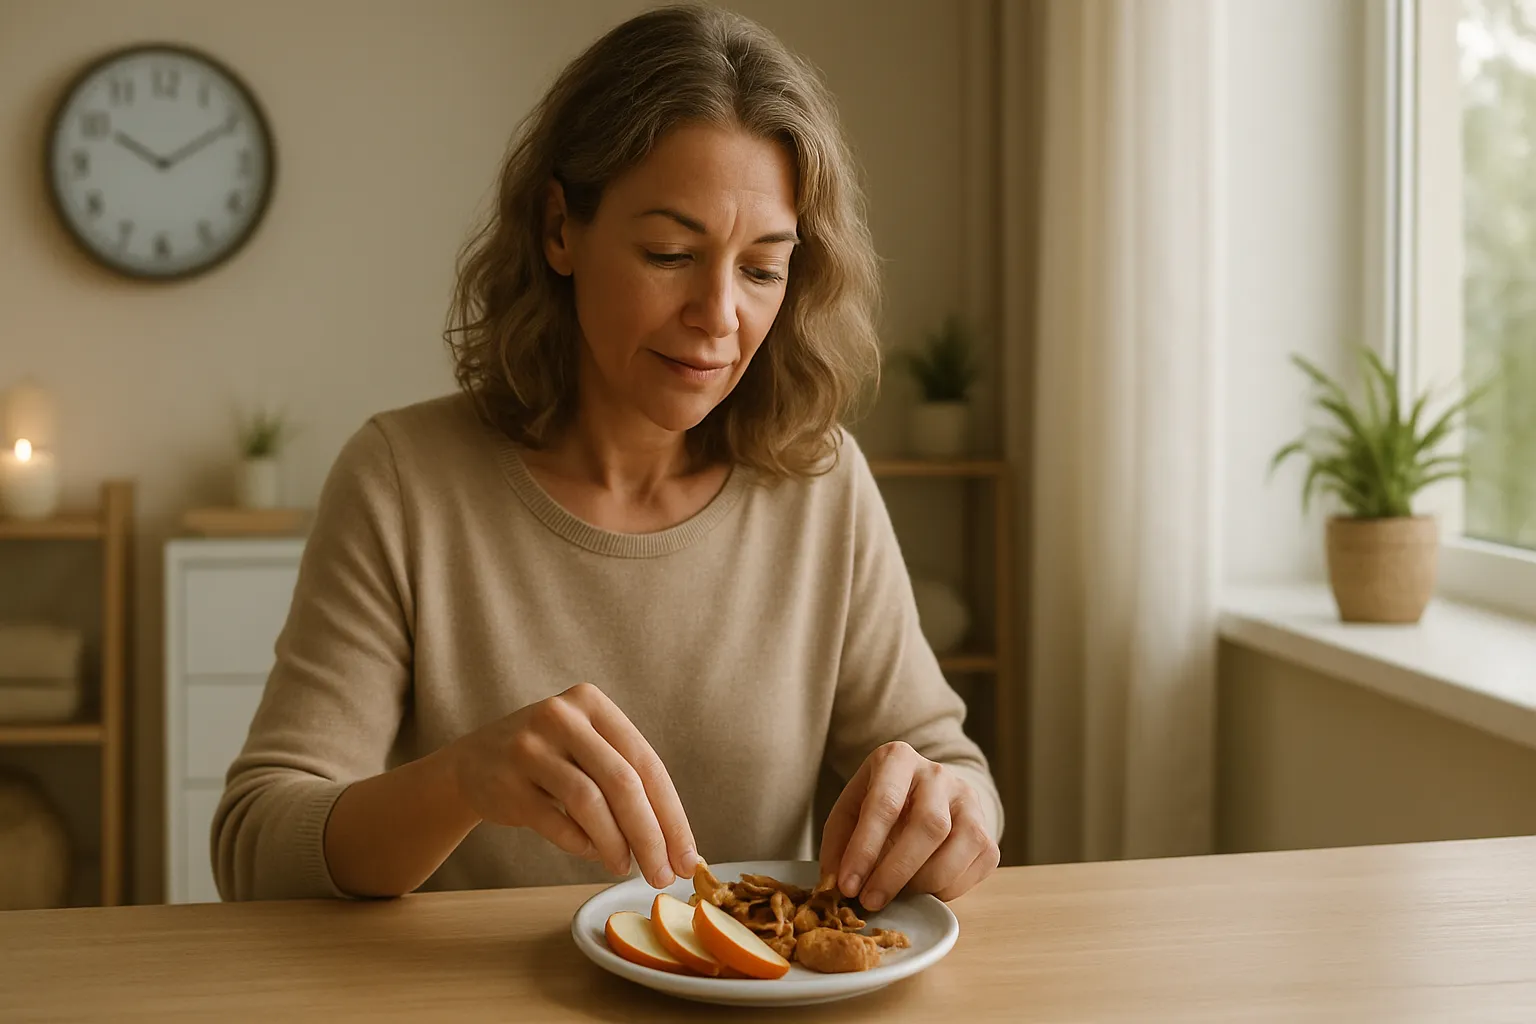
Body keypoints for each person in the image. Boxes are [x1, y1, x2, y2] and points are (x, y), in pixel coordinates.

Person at [213, 2, 1002, 913]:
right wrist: (462, 781)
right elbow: (254, 846)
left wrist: (954, 808)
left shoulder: (821, 485)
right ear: (560, 229)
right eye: (671, 252)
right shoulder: (403, 480)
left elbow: (951, 767)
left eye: (761, 268)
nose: (719, 316)